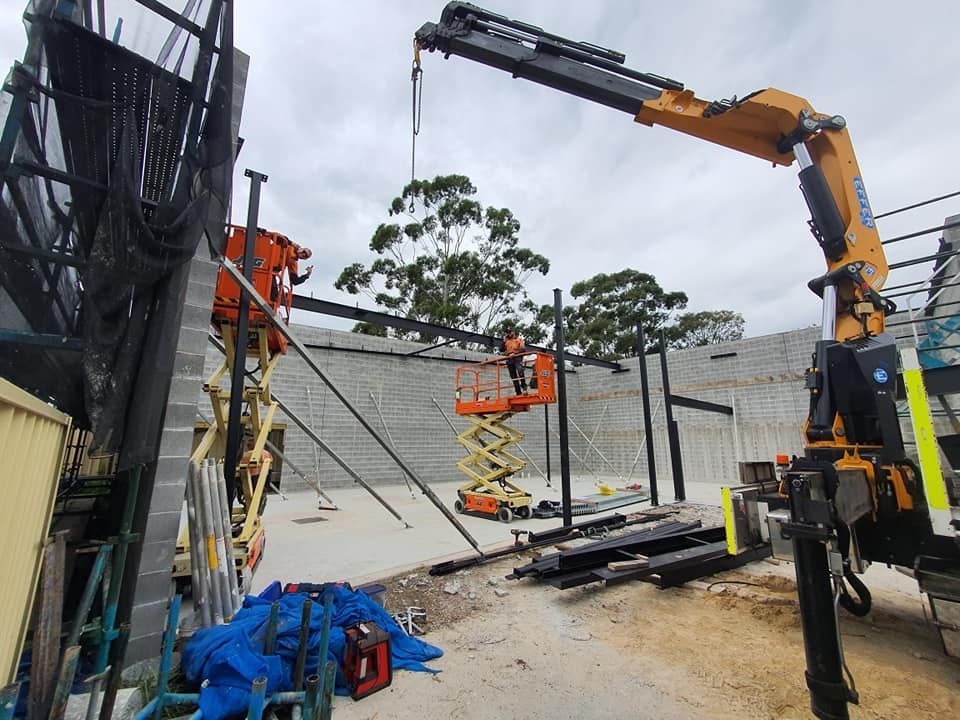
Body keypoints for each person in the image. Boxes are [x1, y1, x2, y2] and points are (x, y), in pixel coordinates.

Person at [503, 327, 527, 394]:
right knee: (513, 376)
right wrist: (504, 341)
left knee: (520, 370)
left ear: (513, 332)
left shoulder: (519, 340)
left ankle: (524, 387)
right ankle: (518, 392)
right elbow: (501, 349)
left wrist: (514, 353)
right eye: (507, 332)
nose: (508, 333)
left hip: (517, 358)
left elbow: (523, 349)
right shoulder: (507, 342)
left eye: (510, 332)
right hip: (509, 360)